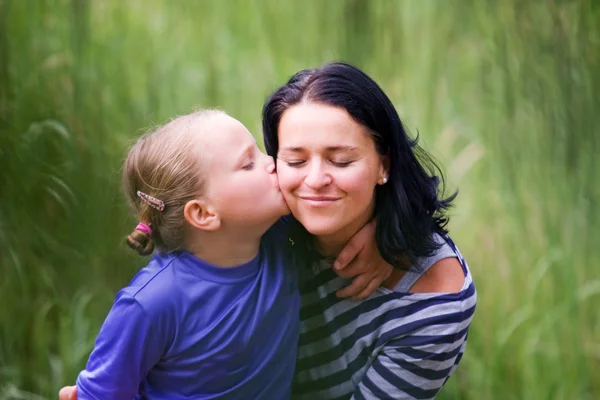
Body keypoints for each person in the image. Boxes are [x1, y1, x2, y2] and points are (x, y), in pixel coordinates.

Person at [67, 109, 389, 400]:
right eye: (248, 163)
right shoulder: (152, 303)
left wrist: (381, 231)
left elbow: (351, 200)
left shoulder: (279, 237)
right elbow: (101, 393)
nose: (272, 162)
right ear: (204, 214)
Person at [262, 62, 477, 399]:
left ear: (384, 166)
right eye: (295, 161)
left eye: (341, 161)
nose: (315, 180)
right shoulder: (268, 220)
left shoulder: (435, 299)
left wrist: (387, 236)